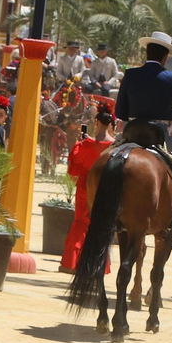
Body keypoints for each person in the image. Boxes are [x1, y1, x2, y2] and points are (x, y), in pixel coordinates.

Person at [114, 31, 172, 212]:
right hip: (159, 134)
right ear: (165, 57)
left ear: (147, 52)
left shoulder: (130, 74)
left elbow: (120, 112)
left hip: (131, 131)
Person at [62, 108, 115, 272]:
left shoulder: (85, 145)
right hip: (105, 188)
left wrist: (81, 142)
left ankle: (72, 261)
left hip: (85, 186)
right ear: (111, 125)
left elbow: (75, 166)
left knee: (81, 222)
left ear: (96, 123)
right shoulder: (114, 146)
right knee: (100, 225)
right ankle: (100, 265)